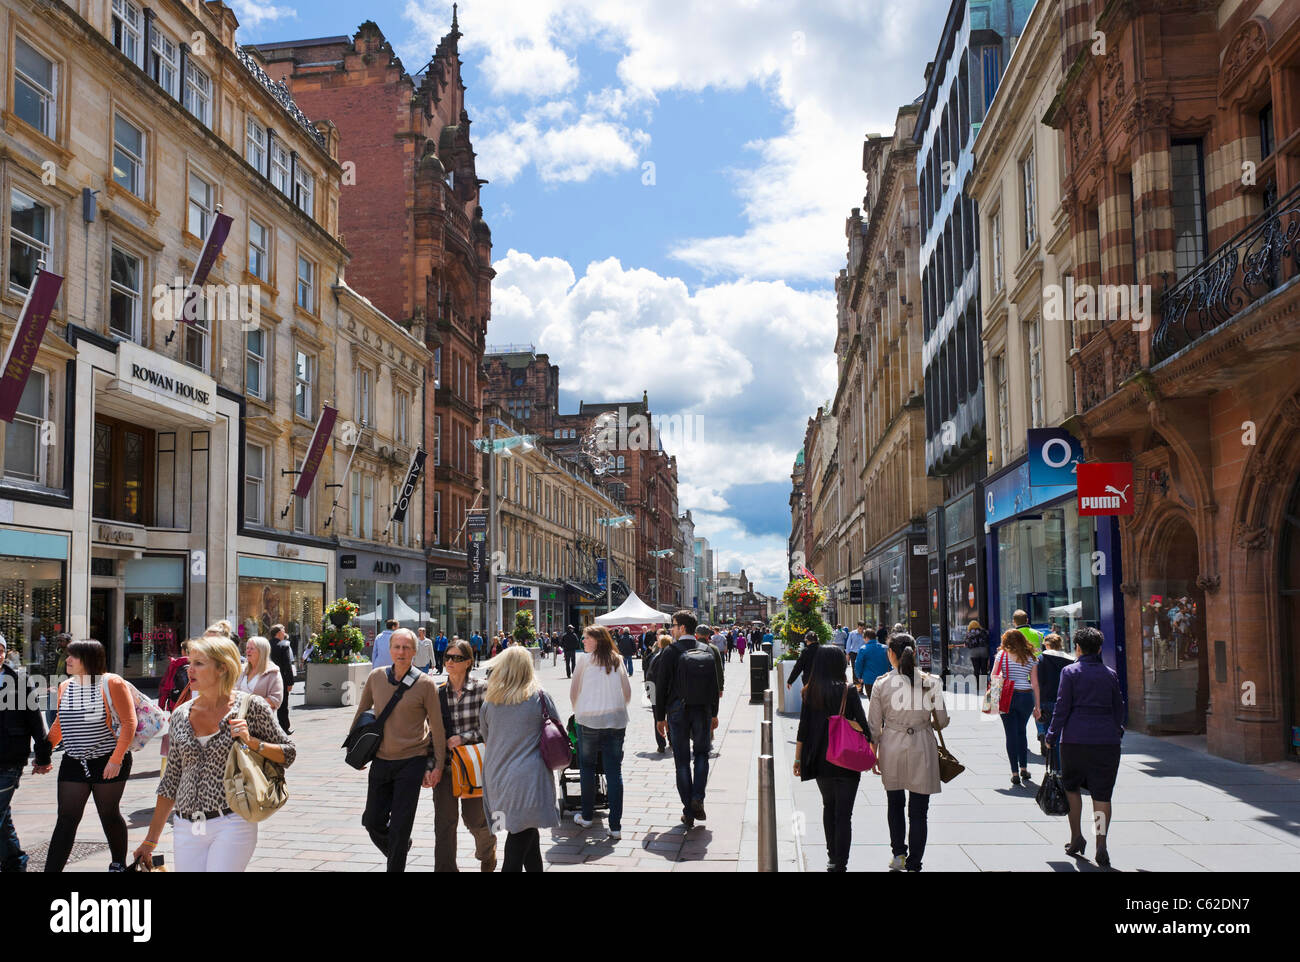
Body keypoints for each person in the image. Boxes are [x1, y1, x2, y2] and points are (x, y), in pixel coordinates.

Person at [134, 635, 295, 872]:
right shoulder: (180, 714)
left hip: (232, 819)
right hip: (186, 824)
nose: (190, 669)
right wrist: (150, 839)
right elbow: (171, 780)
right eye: (190, 663)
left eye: (199, 663)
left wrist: (251, 741)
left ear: (222, 668)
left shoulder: (251, 707)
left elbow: (288, 753)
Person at [351, 628, 446, 872]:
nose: (401, 652)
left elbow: (437, 726)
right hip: (381, 759)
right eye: (397, 647)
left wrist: (437, 765)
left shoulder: (425, 684)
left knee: (401, 826)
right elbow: (362, 711)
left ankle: (397, 854)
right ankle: (399, 847)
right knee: (372, 822)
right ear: (389, 650)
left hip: (411, 761)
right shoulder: (376, 677)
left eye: (406, 648)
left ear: (415, 651)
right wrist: (355, 750)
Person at [44, 640, 136, 872]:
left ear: (89, 659)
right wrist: (44, 751)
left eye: (73, 656)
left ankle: (118, 864)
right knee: (66, 819)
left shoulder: (112, 682)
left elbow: (128, 723)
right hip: (74, 761)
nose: (68, 660)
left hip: (107, 759)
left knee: (109, 814)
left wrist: (116, 759)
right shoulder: (65, 686)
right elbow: (60, 724)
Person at [867, 632, 950, 872]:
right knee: (919, 810)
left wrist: (874, 752)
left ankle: (898, 855)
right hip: (922, 745)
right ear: (914, 652)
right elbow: (942, 721)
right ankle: (915, 863)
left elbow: (874, 726)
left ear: (891, 654)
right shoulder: (931, 681)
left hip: (892, 745)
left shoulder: (882, 684)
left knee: (894, 804)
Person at [1045, 627, 1124, 868]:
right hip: (1106, 741)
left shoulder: (1069, 672)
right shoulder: (1109, 674)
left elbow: (1062, 707)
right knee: (1102, 795)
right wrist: (1117, 730)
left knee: (1072, 788)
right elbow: (1118, 706)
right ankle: (1101, 842)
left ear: (1077, 648)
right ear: (1099, 648)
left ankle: (1076, 836)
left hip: (1075, 740)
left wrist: (1051, 734)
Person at [480, 646, 561, 872]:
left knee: (524, 829)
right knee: (520, 834)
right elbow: (555, 730)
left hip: (497, 777)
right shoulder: (540, 698)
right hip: (529, 777)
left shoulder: (489, 702)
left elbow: (487, 736)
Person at [795, 644, 872, 872]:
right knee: (844, 814)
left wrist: (798, 760)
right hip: (847, 761)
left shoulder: (810, 691)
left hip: (820, 759)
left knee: (829, 807)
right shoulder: (848, 691)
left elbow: (803, 729)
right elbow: (866, 729)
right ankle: (841, 861)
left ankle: (831, 856)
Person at [653, 611, 722, 828]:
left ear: (682, 628)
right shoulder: (706, 649)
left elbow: (660, 686)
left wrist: (659, 717)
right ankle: (698, 798)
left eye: (673, 626)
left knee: (682, 761)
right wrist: (714, 713)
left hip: (677, 711)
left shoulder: (670, 652)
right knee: (702, 754)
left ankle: (688, 811)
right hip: (702, 710)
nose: (671, 630)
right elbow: (715, 684)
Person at [434, 639, 496, 872]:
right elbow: (432, 734)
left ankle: (487, 852)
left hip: (475, 766)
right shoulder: (437, 692)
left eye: (456, 658)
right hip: (447, 766)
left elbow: (493, 727)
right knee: (444, 824)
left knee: (475, 820)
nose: (449, 661)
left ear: (468, 662)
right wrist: (432, 766)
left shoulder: (482, 689)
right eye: (447, 657)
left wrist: (464, 737)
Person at [570, 626, 632, 837]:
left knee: (587, 767)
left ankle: (587, 817)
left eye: (587, 638)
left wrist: (579, 711)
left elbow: (574, 691)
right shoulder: (617, 659)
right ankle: (615, 826)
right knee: (614, 770)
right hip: (615, 720)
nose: (584, 641)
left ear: (597, 640)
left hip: (588, 720)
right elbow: (628, 692)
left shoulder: (585, 661)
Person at [0, 635, 52, 871]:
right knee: (3, 819)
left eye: (0, 650)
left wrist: (43, 757)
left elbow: (35, 722)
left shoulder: (20, 681)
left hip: (8, 759)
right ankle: (15, 862)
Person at [995, 628, 1041, 786]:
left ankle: (1014, 772)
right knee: (1022, 731)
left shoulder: (1002, 655)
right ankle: (1024, 768)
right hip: (1026, 695)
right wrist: (1038, 707)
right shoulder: (1031, 657)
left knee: (1010, 734)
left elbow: (994, 675)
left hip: (1007, 694)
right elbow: (1035, 683)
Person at [1036, 633, 1074, 768]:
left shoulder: (1042, 658)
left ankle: (1055, 768)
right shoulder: (1070, 659)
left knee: (1050, 735)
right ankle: (1064, 767)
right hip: (1065, 701)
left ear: (1047, 645)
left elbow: (1038, 682)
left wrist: (1037, 705)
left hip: (1047, 700)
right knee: (1064, 736)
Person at [235, 636, 285, 710]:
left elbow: (275, 700)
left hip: (260, 720)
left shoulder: (273, 672)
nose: (248, 651)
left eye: (252, 648)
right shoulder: (242, 669)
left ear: (262, 652)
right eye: (247, 648)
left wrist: (248, 703)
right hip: (239, 718)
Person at [645, 632, 674, 752]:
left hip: (656, 693)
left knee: (657, 719)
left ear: (660, 645)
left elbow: (649, 676)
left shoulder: (655, 658)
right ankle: (672, 740)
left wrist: (649, 693)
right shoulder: (674, 657)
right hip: (671, 694)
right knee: (671, 718)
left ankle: (661, 744)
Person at [268, 624, 296, 734]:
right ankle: (284, 727)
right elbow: (287, 665)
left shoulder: (266, 645)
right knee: (283, 705)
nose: (285, 633)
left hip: (267, 678)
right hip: (281, 679)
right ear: (278, 633)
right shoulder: (283, 645)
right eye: (283, 631)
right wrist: (290, 682)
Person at [855, 629, 892, 699]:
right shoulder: (885, 648)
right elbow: (890, 663)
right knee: (884, 701)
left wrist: (859, 676)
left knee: (872, 701)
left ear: (866, 638)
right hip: (884, 679)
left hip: (869, 680)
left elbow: (858, 664)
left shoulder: (863, 649)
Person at [965, 620, 990, 690]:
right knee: (984, 669)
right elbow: (988, 640)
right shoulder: (983, 631)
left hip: (974, 652)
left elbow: (967, 643)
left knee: (976, 670)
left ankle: (978, 686)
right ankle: (984, 685)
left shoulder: (969, 633)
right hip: (983, 651)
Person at [846, 621, 866, 689]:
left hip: (863, 654)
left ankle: (861, 687)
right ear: (858, 627)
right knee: (855, 669)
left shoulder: (865, 634)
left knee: (862, 669)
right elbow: (848, 644)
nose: (861, 630)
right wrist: (847, 654)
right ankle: (856, 686)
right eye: (860, 628)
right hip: (854, 653)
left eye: (862, 628)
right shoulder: (852, 633)